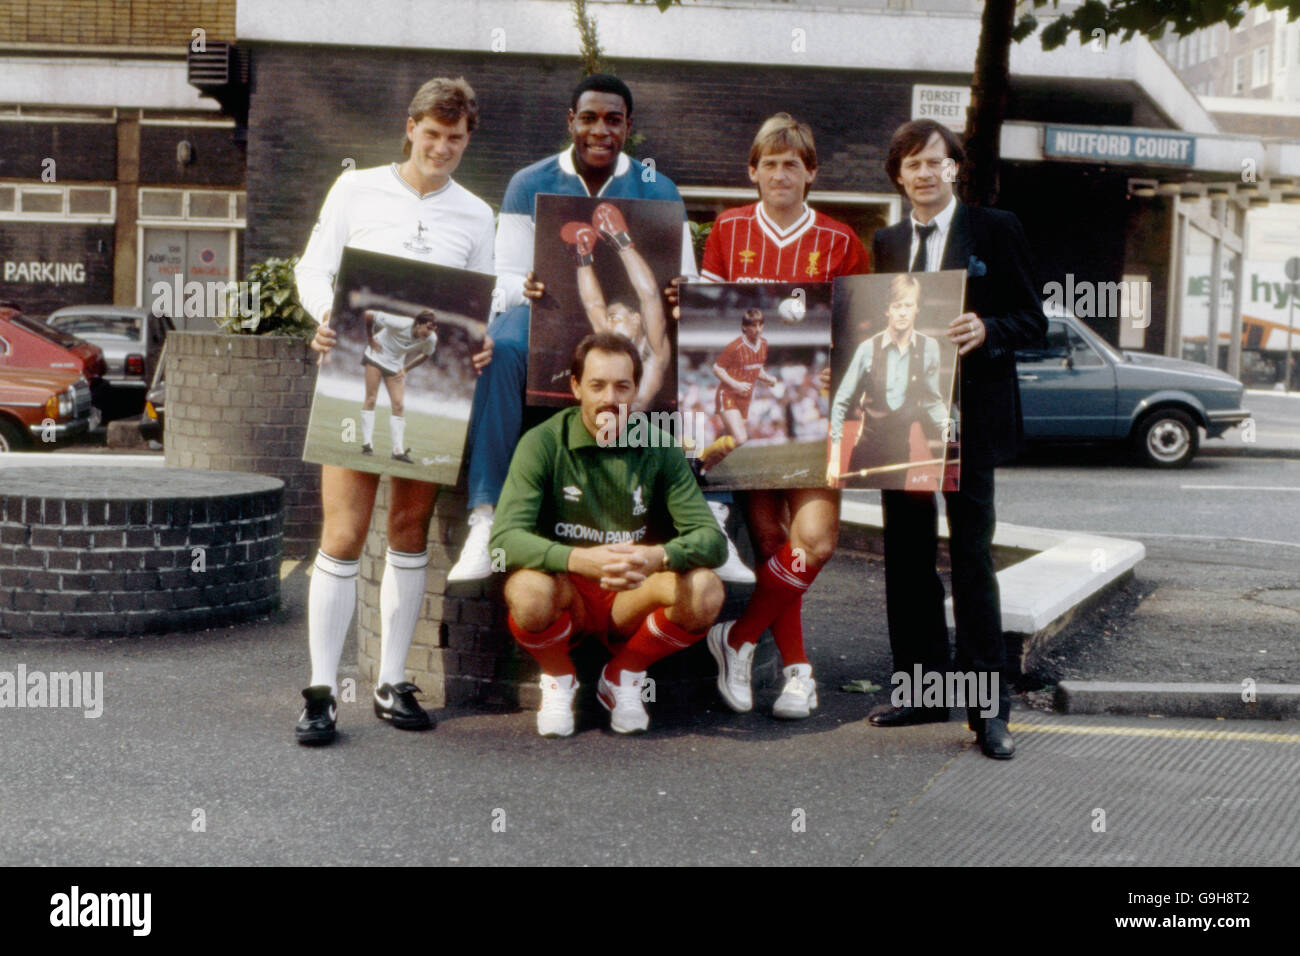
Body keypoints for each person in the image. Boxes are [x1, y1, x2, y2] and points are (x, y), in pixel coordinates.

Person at [447, 73, 753, 585]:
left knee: (706, 334)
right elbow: (504, 277)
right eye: (588, 118)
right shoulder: (529, 181)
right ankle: (485, 517)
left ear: (629, 126)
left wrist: (683, 290)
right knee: (500, 348)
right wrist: (525, 285)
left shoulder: (660, 187)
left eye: (613, 120)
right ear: (571, 120)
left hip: (630, 335)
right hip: (551, 310)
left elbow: (679, 280)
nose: (600, 130)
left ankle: (715, 514)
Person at [291, 77, 495, 746]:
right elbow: (313, 269)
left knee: (408, 533)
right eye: (431, 133)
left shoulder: (477, 215)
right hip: (353, 364)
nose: (440, 147)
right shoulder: (356, 189)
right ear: (410, 128)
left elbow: (480, 304)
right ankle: (321, 692)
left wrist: (483, 341)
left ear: (467, 140)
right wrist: (326, 317)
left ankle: (391, 681)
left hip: (433, 377)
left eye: (455, 138)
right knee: (343, 535)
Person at [863, 118, 1047, 759]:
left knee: (971, 560)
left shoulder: (997, 229)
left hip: (969, 421)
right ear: (898, 174)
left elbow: (1035, 320)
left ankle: (987, 711)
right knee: (908, 559)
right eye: (911, 163)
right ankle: (921, 692)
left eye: (935, 162)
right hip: (901, 421)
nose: (923, 173)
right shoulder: (886, 241)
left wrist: (988, 330)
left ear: (954, 169)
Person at [700, 113, 870, 720]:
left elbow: (862, 329)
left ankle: (738, 637)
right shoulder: (726, 229)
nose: (780, 173)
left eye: (791, 163)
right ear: (753, 171)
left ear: (811, 173)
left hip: (816, 412)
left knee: (816, 540)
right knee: (772, 541)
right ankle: (798, 672)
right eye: (769, 163)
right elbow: (709, 319)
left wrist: (839, 368)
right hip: (749, 412)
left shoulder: (841, 240)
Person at [490, 332, 726, 737]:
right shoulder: (542, 442)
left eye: (622, 385)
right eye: (597, 385)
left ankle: (624, 674)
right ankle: (559, 678)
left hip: (629, 594)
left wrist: (658, 557)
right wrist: (578, 559)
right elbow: (503, 542)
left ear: (636, 389)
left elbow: (712, 540)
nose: (608, 398)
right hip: (570, 595)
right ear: (576, 386)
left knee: (705, 589)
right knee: (527, 592)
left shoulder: (659, 445)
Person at [827, 274, 947, 481]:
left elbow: (933, 402)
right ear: (887, 309)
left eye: (908, 306)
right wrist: (835, 458)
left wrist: (953, 441)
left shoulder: (929, 348)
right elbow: (841, 400)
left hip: (900, 454)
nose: (902, 312)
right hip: (865, 453)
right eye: (896, 306)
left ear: (916, 308)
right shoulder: (867, 349)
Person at [560, 202, 671, 411]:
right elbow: (593, 304)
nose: (608, 322)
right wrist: (582, 259)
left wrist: (620, 241)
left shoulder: (653, 349)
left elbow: (650, 295)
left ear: (636, 319)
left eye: (615, 317)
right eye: (608, 317)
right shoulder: (612, 343)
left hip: (636, 434)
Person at [697, 308, 778, 473]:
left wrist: (768, 378)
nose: (757, 329)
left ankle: (703, 469)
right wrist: (736, 384)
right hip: (728, 394)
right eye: (753, 326)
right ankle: (698, 459)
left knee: (735, 441)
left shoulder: (763, 344)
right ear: (744, 327)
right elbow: (717, 368)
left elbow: (757, 370)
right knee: (740, 438)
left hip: (745, 398)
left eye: (760, 325)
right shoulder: (735, 346)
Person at [358, 308, 439, 462]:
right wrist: (370, 339)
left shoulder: (431, 339)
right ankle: (367, 444)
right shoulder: (401, 323)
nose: (429, 332)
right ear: (418, 323)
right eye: (428, 327)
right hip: (376, 356)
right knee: (371, 399)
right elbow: (369, 314)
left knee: (398, 405)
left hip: (395, 364)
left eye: (433, 329)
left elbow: (426, 355)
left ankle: (398, 452)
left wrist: (405, 369)